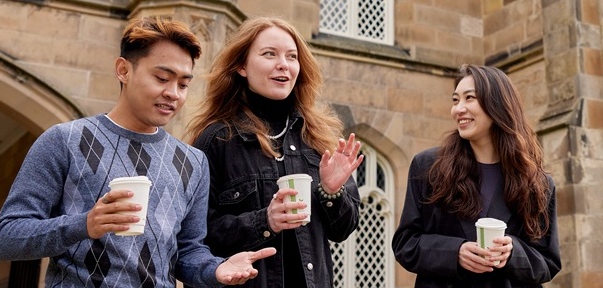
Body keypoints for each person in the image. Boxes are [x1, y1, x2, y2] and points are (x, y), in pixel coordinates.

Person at [0, 17, 275, 287]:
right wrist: (85, 225)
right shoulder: (64, 141)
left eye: (183, 84)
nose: (173, 93)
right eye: (162, 78)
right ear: (123, 70)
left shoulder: (193, 162)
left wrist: (215, 269)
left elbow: (188, 252)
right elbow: (6, 238)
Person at [185, 16, 363, 287]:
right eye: (269, 54)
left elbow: (343, 229)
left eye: (292, 56)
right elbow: (194, 239)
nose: (283, 64)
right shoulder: (217, 139)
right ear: (242, 66)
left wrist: (331, 192)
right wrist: (265, 221)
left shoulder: (318, 137)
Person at [393, 65, 561, 287]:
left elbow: (548, 262)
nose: (458, 109)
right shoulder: (428, 167)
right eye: (455, 100)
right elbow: (405, 244)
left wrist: (512, 252)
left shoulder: (537, 183)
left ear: (497, 105)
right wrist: (455, 253)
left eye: (469, 98)